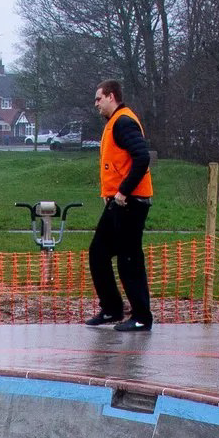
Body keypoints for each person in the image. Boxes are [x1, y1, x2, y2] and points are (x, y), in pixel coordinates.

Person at [85, 81, 154, 333]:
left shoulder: (124, 122)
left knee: (129, 258)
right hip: (118, 202)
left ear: (111, 97)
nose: (96, 104)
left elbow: (142, 156)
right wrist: (111, 193)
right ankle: (112, 308)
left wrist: (124, 191)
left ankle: (141, 317)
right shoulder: (113, 123)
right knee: (98, 253)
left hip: (131, 203)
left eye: (98, 99)